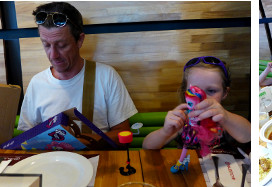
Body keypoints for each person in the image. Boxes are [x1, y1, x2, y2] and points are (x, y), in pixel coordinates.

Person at [17, 2, 137, 146]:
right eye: (46, 45)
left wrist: (81, 141)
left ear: (79, 40)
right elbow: (26, 137)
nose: (53, 55)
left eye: (62, 45)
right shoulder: (37, 83)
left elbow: (123, 133)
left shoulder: (106, 76)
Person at [143, 56, 250, 149]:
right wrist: (165, 132)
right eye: (195, 90)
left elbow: (249, 136)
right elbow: (147, 146)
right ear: (185, 91)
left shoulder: (223, 118)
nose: (202, 97)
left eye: (211, 91)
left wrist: (226, 117)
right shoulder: (183, 119)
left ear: (225, 93)